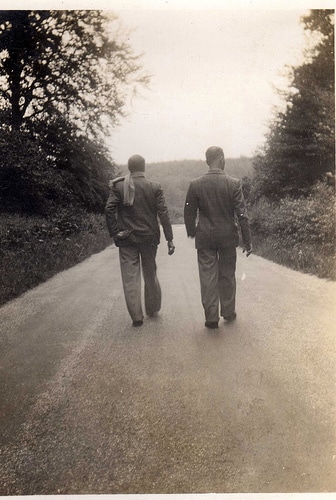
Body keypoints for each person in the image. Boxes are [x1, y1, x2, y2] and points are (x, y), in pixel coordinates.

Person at [184, 146, 252, 329]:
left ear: (207, 161)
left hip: (205, 237)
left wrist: (192, 231)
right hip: (228, 237)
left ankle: (211, 318)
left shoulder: (195, 184)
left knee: (208, 276)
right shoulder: (234, 183)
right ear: (221, 159)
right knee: (227, 274)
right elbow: (242, 214)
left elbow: (188, 211)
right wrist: (247, 240)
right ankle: (228, 312)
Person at [105, 154, 175, 327]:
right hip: (149, 238)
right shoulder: (154, 187)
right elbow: (163, 214)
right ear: (144, 167)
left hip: (127, 238)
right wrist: (169, 238)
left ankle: (137, 317)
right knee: (150, 273)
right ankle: (152, 308)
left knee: (130, 278)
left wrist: (115, 232)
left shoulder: (119, 186)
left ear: (129, 168)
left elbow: (109, 209)